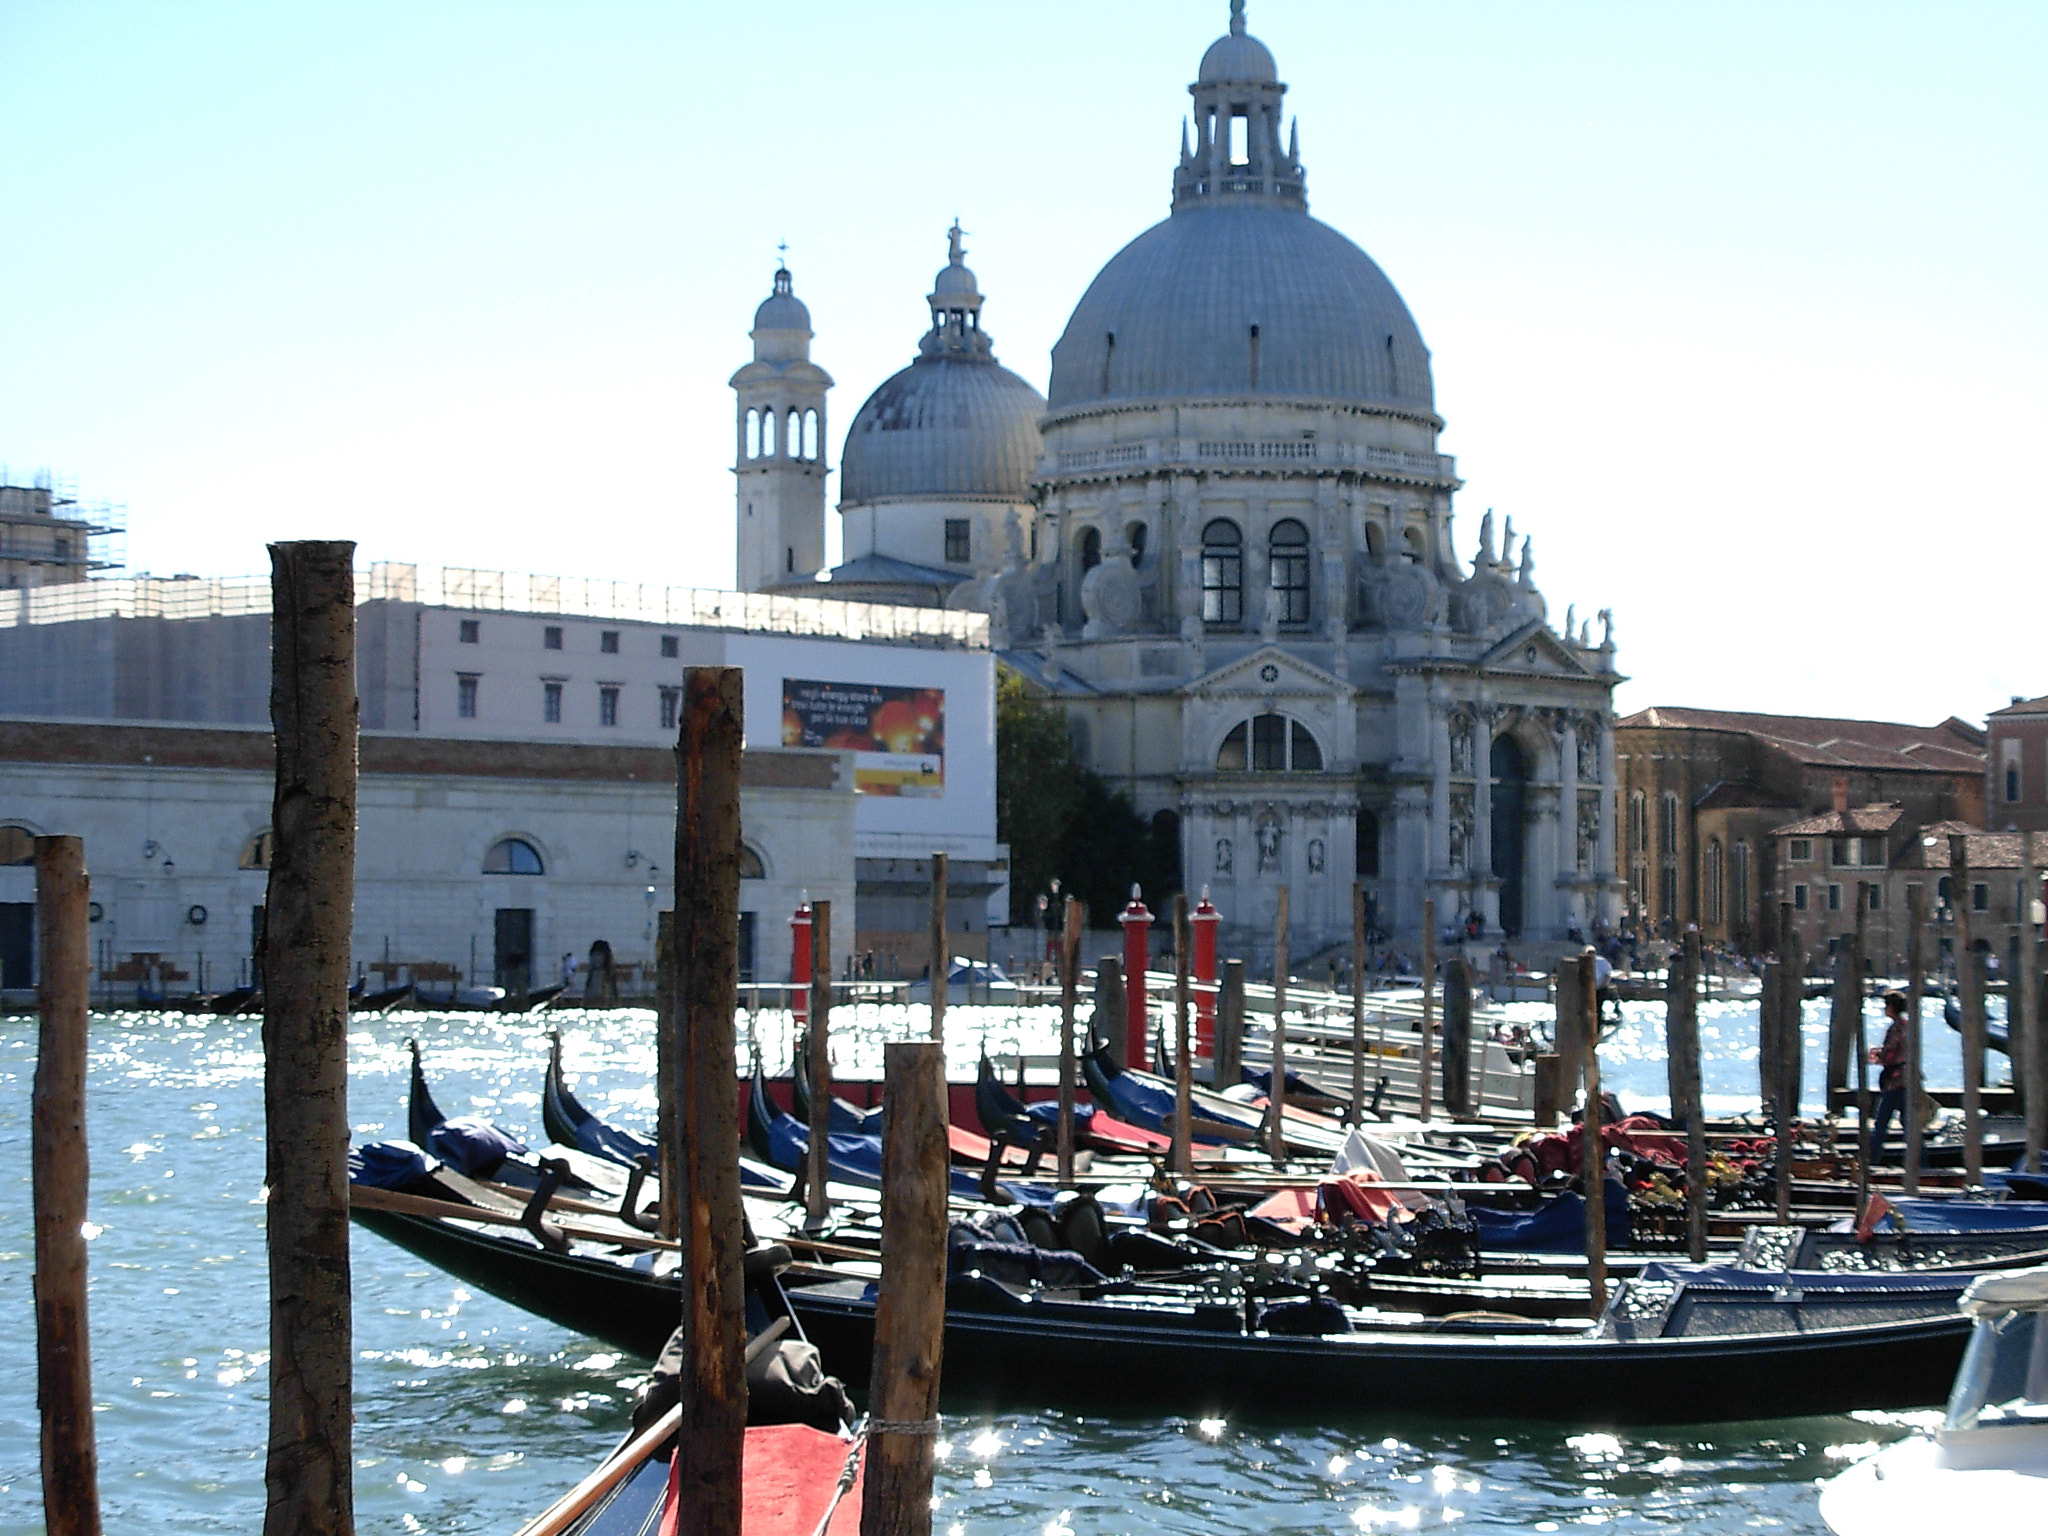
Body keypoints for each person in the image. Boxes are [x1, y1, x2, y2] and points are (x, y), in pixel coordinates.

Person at [1867, 990, 1911, 1164]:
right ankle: (1920, 1161)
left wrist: (1876, 1056)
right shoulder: (1907, 1026)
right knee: (1909, 1126)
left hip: (1894, 1082)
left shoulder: (1895, 1029)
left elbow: (1889, 1054)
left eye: (1886, 1005)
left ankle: (1872, 1161)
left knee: (1881, 1124)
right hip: (1906, 1080)